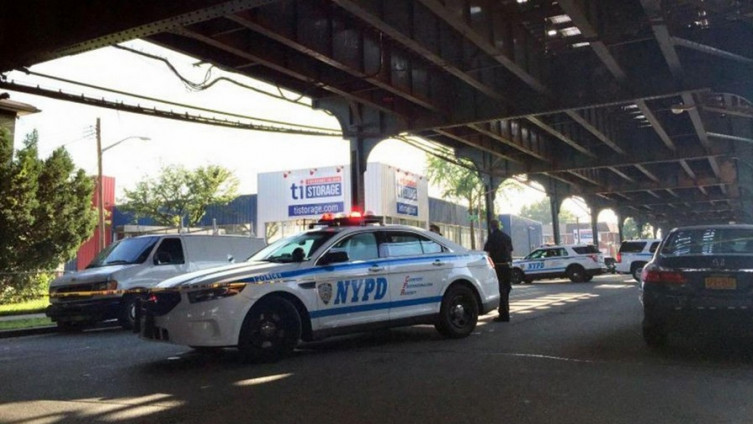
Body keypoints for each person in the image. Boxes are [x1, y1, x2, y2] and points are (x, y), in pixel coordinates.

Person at [484, 219, 513, 322]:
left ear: (491, 226)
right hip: (507, 265)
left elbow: (487, 250)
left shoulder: (492, 237)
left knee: (501, 290)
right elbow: (510, 251)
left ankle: (504, 314)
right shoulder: (507, 237)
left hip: (498, 265)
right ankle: (506, 311)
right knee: (507, 288)